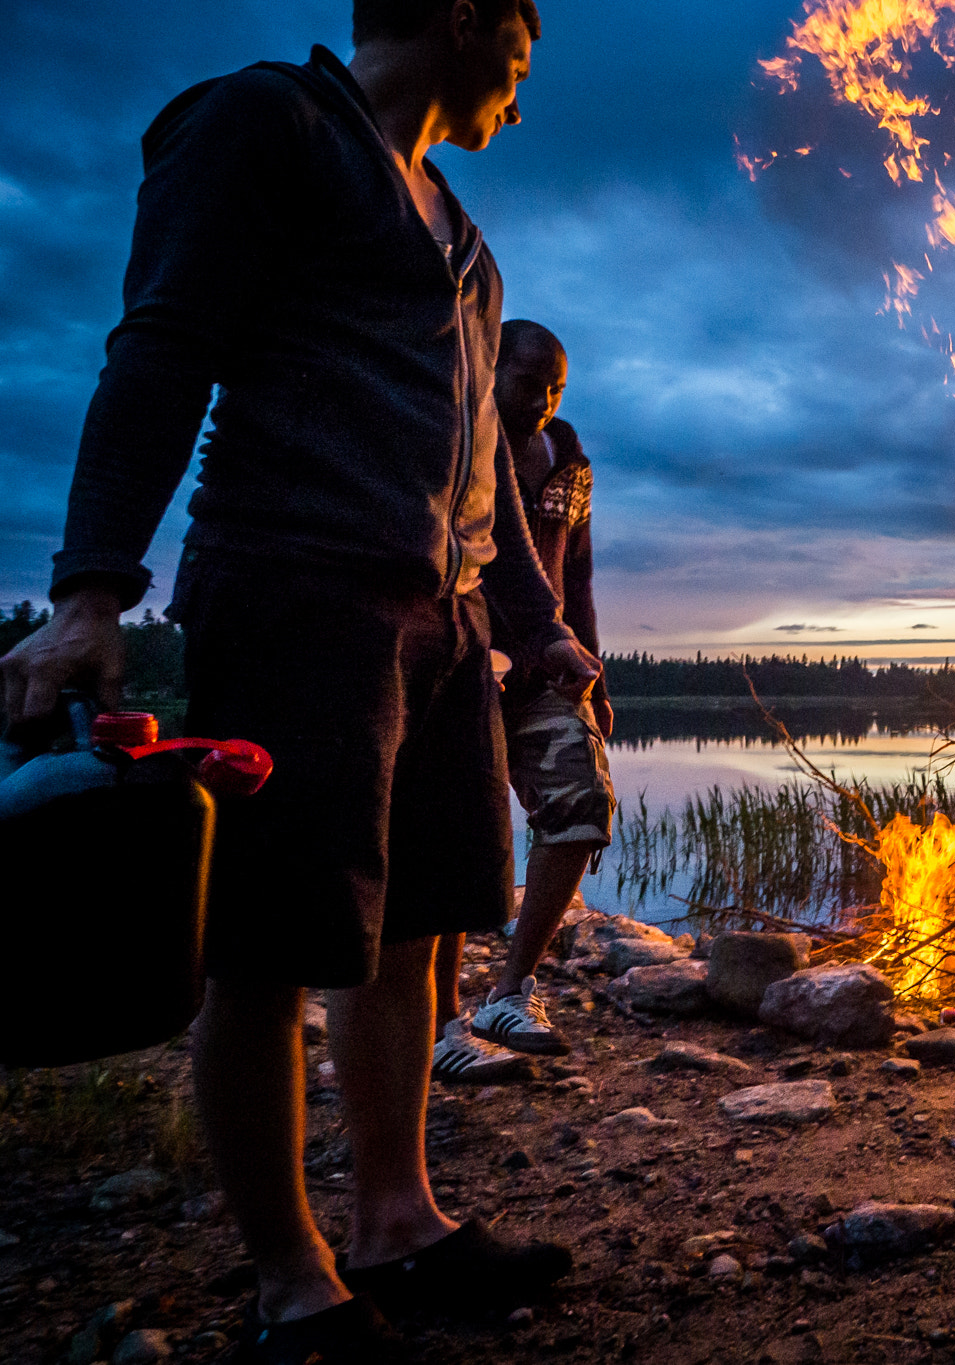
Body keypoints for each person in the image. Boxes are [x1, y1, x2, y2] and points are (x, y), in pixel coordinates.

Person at [0, 2, 597, 1360]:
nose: (525, 75)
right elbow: (160, 346)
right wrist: (92, 591)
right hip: (297, 591)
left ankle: (401, 1220)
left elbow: (490, 470)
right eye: (525, 39)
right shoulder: (265, 124)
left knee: (417, 926)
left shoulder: (464, 238)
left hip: (442, 623)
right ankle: (293, 1282)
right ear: (462, 18)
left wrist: (536, 620)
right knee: (268, 945)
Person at [430, 321, 614, 1078]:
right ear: (490, 368)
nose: (542, 400)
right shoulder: (455, 437)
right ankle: (443, 1030)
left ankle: (511, 990)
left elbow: (580, 577)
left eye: (556, 388)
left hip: (546, 669)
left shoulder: (569, 463)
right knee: (447, 845)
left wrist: (596, 678)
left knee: (581, 803)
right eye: (529, 383)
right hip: (458, 663)